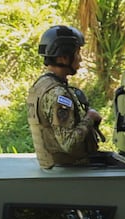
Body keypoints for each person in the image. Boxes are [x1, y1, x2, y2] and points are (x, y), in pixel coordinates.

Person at [27, 24, 103, 169]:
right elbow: (68, 143)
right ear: (63, 58)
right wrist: (90, 118)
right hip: (68, 171)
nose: (80, 59)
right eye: (77, 53)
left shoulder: (41, 85)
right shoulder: (58, 94)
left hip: (52, 166)